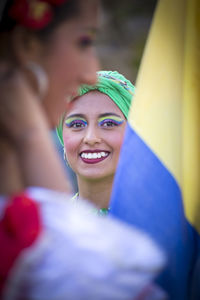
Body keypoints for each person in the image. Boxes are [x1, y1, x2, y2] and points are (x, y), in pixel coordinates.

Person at [0, 1, 167, 299]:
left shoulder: (167, 226)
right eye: (84, 41)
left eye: (109, 123)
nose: (90, 137)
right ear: (25, 44)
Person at [56, 70, 135, 215]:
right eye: (77, 124)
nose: (91, 138)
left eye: (109, 123)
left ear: (133, 135)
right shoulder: (50, 226)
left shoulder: (162, 225)